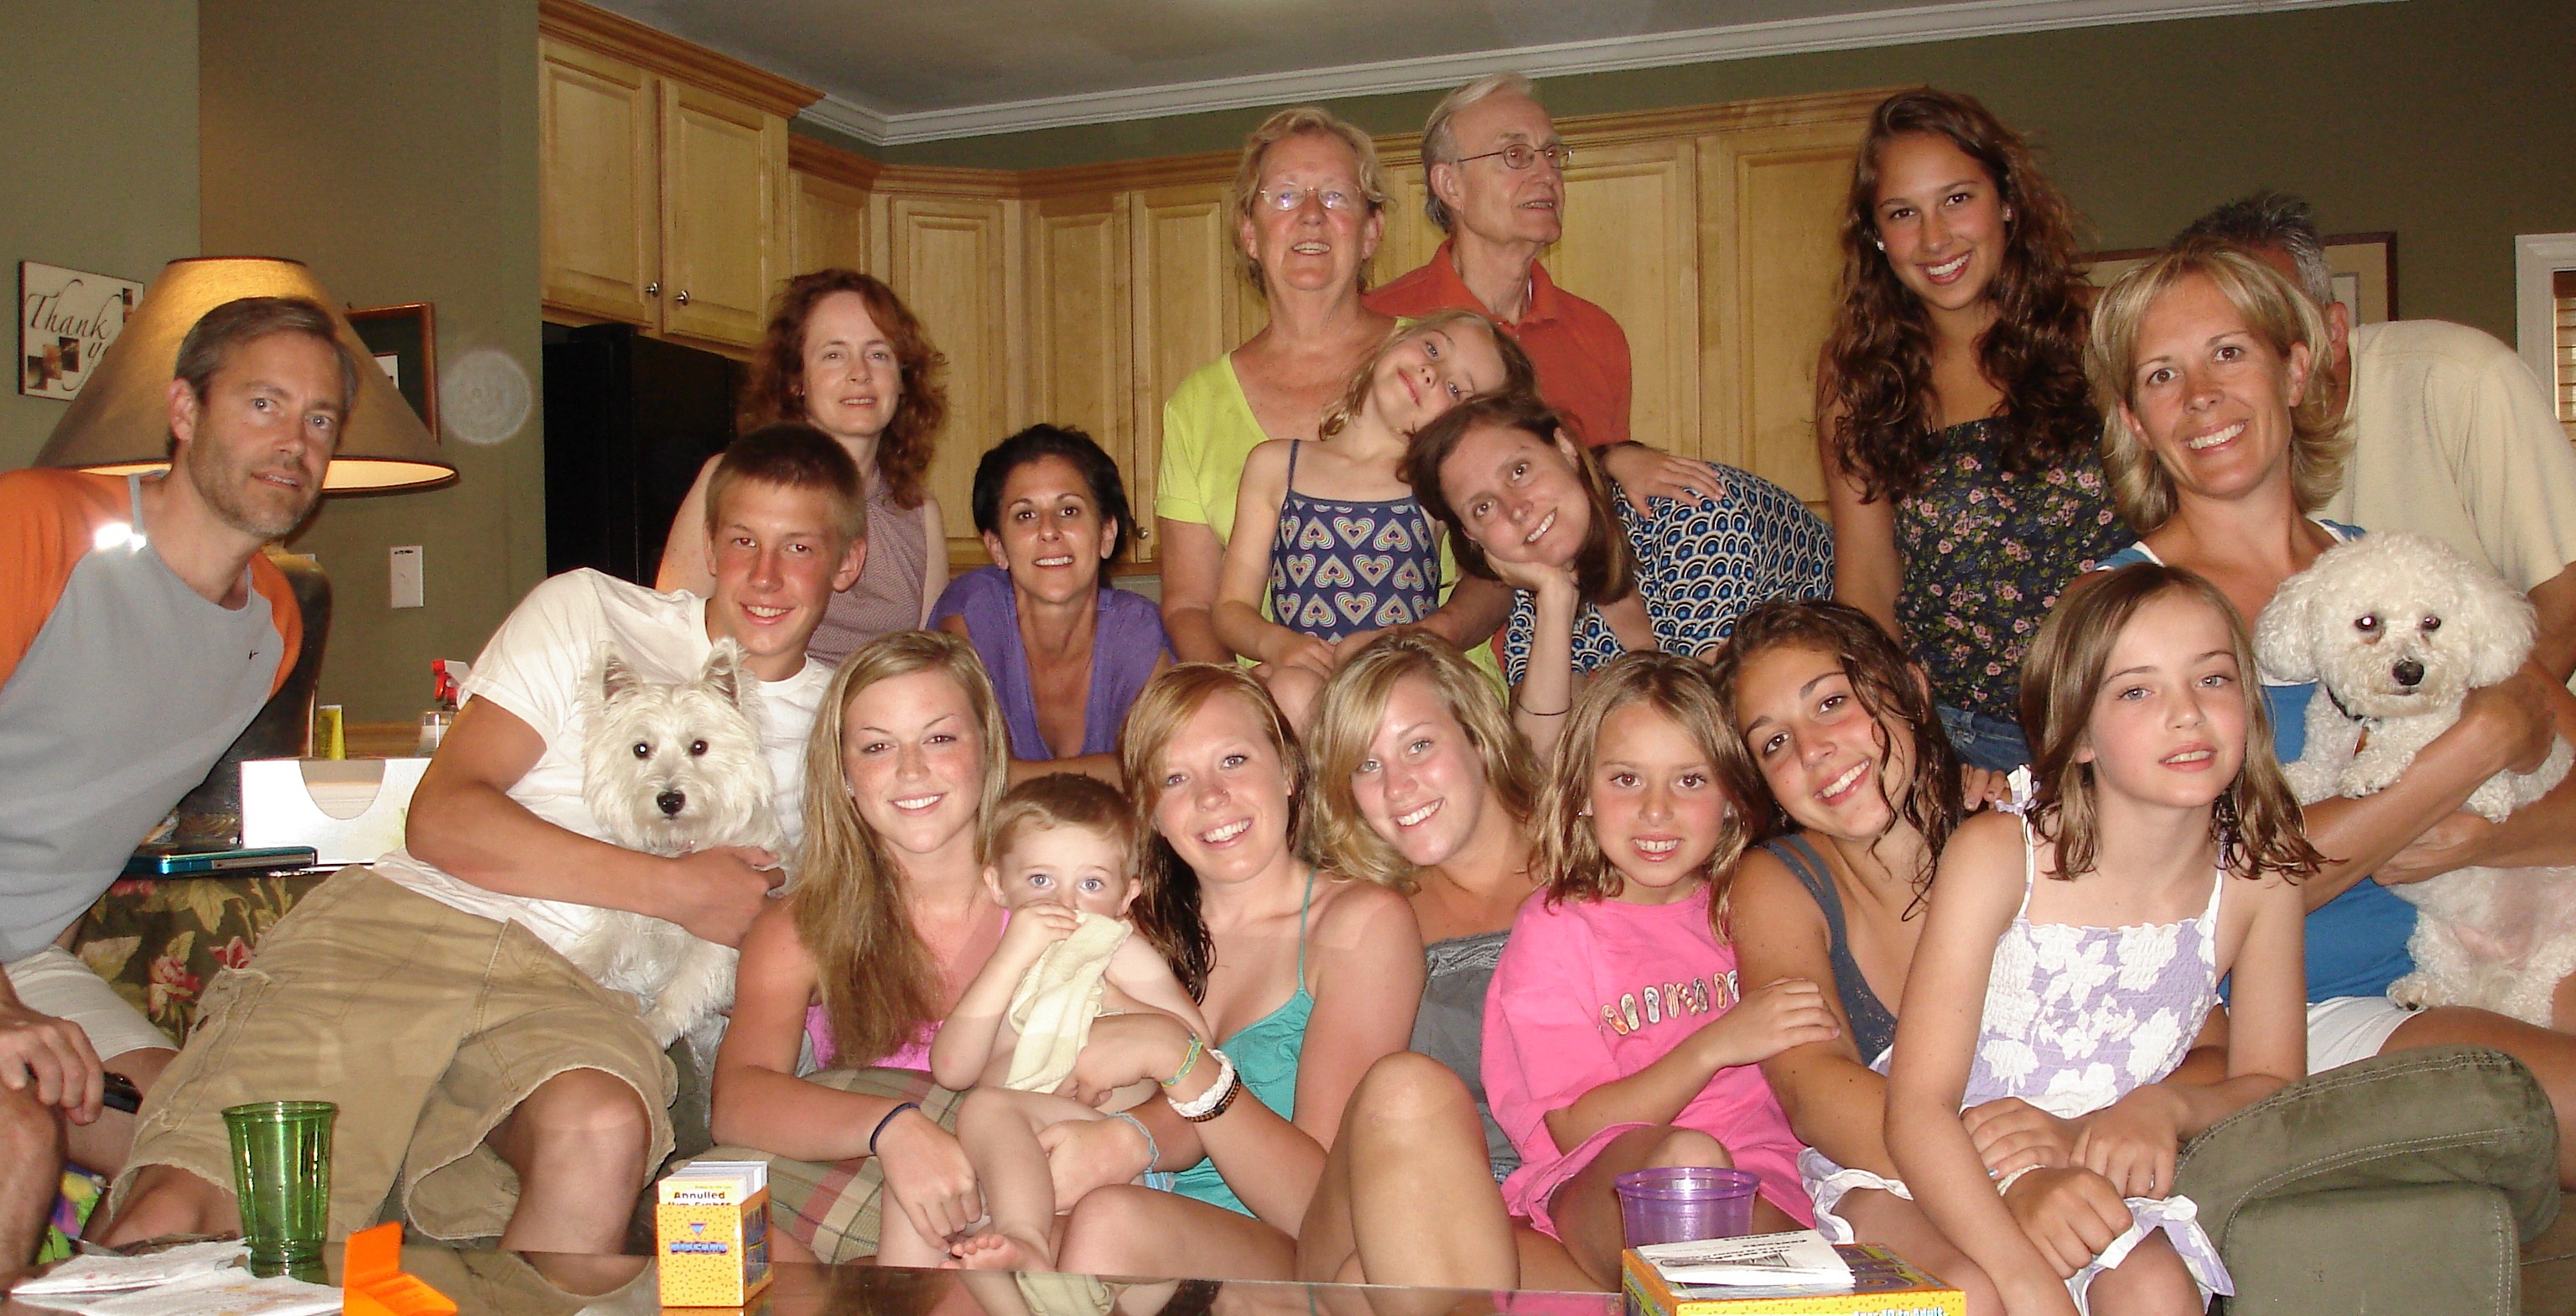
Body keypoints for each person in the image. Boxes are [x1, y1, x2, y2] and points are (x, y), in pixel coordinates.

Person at [103, 423, 868, 1253]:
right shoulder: (589, 611)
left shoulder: (853, 722)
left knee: (600, 1132)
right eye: (744, 540)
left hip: (586, 998)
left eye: (799, 547)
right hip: (418, 929)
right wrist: (677, 889)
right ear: (711, 547)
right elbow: (442, 817)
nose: (765, 574)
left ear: (847, 562)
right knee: (184, 1210)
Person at [2085, 244, 2576, 1183]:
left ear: (2296, 370)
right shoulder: (2115, 613)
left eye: (2229, 353)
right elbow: (2200, 889)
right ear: (2134, 420)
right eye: (2161, 375)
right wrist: (2467, 754)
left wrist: (2482, 836)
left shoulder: (2396, 573)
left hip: (2502, 940)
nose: (2202, 395)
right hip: (2308, 1009)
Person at [0, 296, 341, 1276]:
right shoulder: (39, 523)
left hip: (25, 959)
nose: (296, 442)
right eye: (264, 404)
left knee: (226, 1161)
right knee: (17, 1135)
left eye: (320, 418)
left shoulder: (274, 624)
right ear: (185, 410)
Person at [1888, 564, 2314, 1316]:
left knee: (2157, 1291)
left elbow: (2274, 1083)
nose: (2188, 714)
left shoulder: (2260, 877)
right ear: (2079, 732)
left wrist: (2165, 1108)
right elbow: (1917, 1108)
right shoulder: (1999, 855)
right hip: (1942, 1165)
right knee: (1984, 1299)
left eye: (2212, 679)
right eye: (2138, 691)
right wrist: (2026, 1278)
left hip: (2094, 1160)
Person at [1044, 665, 1425, 1280]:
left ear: (1289, 772)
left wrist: (1176, 1058)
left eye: (1234, 760)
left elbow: (1318, 1207)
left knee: (1110, 1222)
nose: (1211, 796)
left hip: (1285, 1255)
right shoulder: (1124, 932)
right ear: (1152, 813)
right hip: (1127, 1227)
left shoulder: (1361, 924)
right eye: (1175, 778)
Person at [1712, 600, 2023, 1312]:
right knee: (1968, 1290)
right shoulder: (1779, 882)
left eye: (1832, 702)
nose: (1812, 749)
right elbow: (1816, 1090)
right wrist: (2004, 1174)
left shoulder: (2015, 830)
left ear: (1912, 691)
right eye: (1774, 743)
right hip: (1910, 1180)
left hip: (2050, 1150)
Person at [1482, 653, 1826, 1290]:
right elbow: (1577, 1126)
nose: (1657, 810)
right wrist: (1716, 1045)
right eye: (1626, 779)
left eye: (1690, 780)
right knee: (1691, 1166)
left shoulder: (1756, 903)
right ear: (1582, 793)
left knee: (1790, 1262)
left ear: (1732, 797)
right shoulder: (1558, 928)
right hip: (1601, 1184)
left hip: (1767, 1179)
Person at [1817, 89, 2128, 772]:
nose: (1935, 239)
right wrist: (1909, 744)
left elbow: (2185, 520)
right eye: (1903, 213)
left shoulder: (2105, 333)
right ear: (1876, 235)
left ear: (2007, 200)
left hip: (2124, 716)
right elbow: (1867, 581)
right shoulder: (1857, 373)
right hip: (1964, 742)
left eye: (1957, 199)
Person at [1155, 107, 1509, 670]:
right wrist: (1248, 705)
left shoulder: (1439, 370)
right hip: (1275, 705)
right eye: (1285, 196)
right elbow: (1191, 605)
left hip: (1433, 690)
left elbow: (1500, 564)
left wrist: (1424, 639)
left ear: (1371, 232)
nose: (1312, 216)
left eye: (1337, 196)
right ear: (1248, 233)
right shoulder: (1194, 406)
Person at [2173, 190, 2576, 683]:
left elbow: (2567, 600)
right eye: (2226, 346)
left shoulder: (2462, 379)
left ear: (2333, 330)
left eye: (2272, 321)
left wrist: (2480, 725)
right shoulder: (2212, 454)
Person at [1292, 632, 1592, 1290]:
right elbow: (1324, 1158)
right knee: (1404, 1096)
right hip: (1405, 1204)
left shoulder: (1596, 860)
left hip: (1572, 1211)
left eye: (1418, 745)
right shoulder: (1369, 917)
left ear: (1478, 736)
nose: (1397, 786)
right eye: (1366, 765)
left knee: (1373, 1286)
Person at [701, 628, 1011, 1263]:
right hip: (863, 1173)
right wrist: (891, 1127)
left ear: (988, 747)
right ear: (843, 775)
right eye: (877, 746)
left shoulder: (1062, 893)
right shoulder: (800, 925)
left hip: (1011, 1192)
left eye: (940, 738)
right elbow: (736, 1102)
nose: (911, 769)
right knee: (707, 1226)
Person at [1406, 393, 1831, 753]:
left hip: (1843, 711)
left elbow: (1707, 727)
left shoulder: (1690, 513)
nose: (1516, 509)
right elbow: (1540, 757)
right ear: (1473, 536)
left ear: (1566, 449)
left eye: (1520, 470)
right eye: (1483, 507)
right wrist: (1555, 598)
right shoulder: (1540, 589)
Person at [1368, 72, 1719, 507]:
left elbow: (1597, 506)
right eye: (1515, 155)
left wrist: (1615, 459)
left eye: (1552, 155)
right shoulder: (1379, 323)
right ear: (1450, 185)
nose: (1547, 174)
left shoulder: (1597, 333)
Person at [914, 774, 1209, 1272]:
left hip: (1106, 1160)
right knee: (922, 1193)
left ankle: (1025, 1240)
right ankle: (906, 1294)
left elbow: (1197, 1047)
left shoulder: (1120, 953)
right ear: (998, 885)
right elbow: (952, 1069)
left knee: (986, 1108)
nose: (1066, 903)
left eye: (1091, 884)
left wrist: (1119, 1000)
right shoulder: (1008, 965)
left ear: (1125, 897)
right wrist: (1010, 959)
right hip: (1009, 1169)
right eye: (1040, 881)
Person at [1213, 312, 1534, 727]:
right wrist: (1276, 644)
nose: (1431, 372)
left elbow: (1498, 574)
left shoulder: (1438, 488)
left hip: (1398, 690)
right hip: (1302, 688)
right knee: (1291, 690)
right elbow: (1231, 609)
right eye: (1433, 348)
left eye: (1456, 389)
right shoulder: (1276, 465)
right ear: (1396, 339)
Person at [662, 270, 947, 664]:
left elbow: (928, 661)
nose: (860, 373)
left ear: (903, 380)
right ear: (797, 379)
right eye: (834, 354)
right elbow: (669, 638)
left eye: (878, 354)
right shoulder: (732, 480)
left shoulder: (919, 513)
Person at [932, 425, 1171, 784]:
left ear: (1106, 534)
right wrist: (1113, 772)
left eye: (1069, 510)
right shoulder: (972, 615)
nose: (1048, 530)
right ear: (997, 547)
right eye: (1025, 515)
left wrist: (1013, 775)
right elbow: (961, 773)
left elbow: (1161, 769)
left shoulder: (1137, 631)